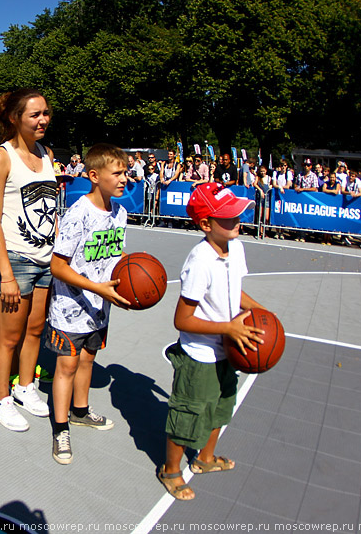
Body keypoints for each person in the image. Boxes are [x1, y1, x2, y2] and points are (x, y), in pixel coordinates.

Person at [158, 182, 266, 501]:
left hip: (228, 348)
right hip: (200, 353)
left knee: (221, 405)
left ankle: (205, 458)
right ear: (206, 224)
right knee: (189, 413)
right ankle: (171, 470)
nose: (237, 221)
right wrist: (228, 329)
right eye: (228, 218)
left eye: (237, 215)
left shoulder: (236, 247)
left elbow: (235, 292)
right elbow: (182, 319)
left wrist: (260, 312)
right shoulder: (200, 261)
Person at [46, 143, 131, 464]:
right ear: (94, 176)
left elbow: (115, 253)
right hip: (69, 308)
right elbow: (58, 266)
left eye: (125, 172)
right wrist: (97, 287)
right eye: (117, 173)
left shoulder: (120, 213)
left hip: (100, 305)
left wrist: (133, 270)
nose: (124, 178)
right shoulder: (78, 213)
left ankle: (80, 411)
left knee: (87, 361)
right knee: (66, 366)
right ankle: (61, 427)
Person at [0, 88, 57, 432]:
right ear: (15, 119)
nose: (43, 120)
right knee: (9, 337)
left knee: (35, 330)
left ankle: (25, 386)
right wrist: (6, 273)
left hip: (45, 258)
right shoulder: (1, 157)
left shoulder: (47, 153)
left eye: (45, 113)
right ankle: (2, 400)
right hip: (16, 259)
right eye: (34, 115)